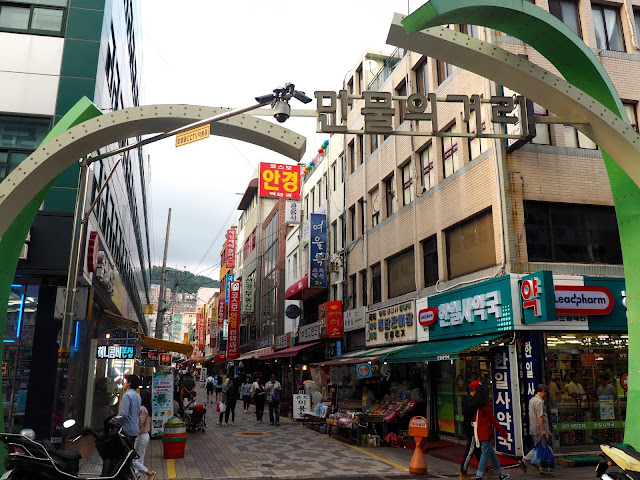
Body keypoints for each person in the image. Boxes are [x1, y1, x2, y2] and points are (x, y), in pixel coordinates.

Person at [472, 385, 510, 480]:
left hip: (480, 432)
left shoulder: (476, 406)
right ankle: (479, 475)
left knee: (491, 454)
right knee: (485, 454)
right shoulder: (485, 406)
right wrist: (503, 433)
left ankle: (500, 474)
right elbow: (493, 420)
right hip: (486, 433)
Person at [519, 384, 552, 476]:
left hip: (534, 428)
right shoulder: (539, 402)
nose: (546, 395)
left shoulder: (532, 400)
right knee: (540, 448)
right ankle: (525, 461)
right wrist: (543, 429)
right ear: (542, 391)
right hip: (539, 429)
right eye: (545, 392)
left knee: (541, 447)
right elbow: (540, 416)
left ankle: (543, 469)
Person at [460, 381, 482, 480]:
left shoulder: (469, 399)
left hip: (473, 428)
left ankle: (484, 469)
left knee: (477, 450)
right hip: (473, 429)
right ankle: (463, 472)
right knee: (471, 449)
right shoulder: (472, 401)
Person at [132, 390, 156, 479]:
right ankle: (138, 475)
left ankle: (149, 472)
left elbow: (139, 422)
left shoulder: (142, 409)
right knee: (140, 458)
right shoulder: (148, 408)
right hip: (145, 435)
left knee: (134, 459)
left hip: (141, 435)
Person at [112, 374, 142, 444]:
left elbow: (123, 413)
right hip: (135, 428)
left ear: (129, 383)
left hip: (126, 429)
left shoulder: (127, 395)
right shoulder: (138, 396)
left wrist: (114, 420)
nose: (124, 384)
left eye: (125, 382)